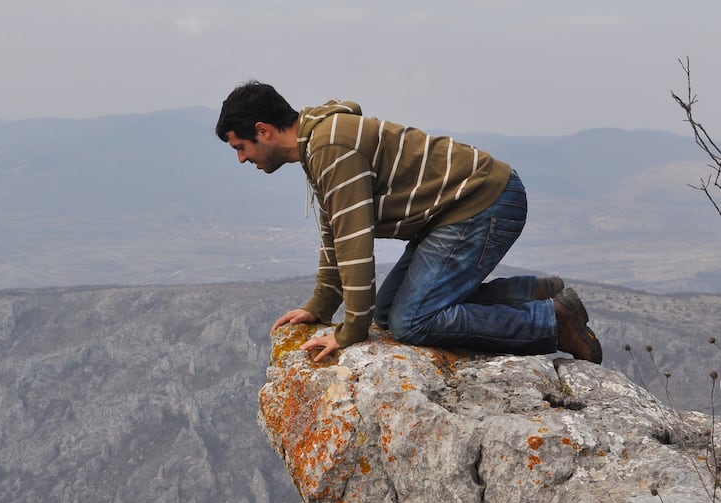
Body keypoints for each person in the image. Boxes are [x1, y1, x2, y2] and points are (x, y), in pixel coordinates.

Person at [215, 80, 601, 364]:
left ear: (263, 131)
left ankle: (551, 321)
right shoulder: (321, 144)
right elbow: (335, 229)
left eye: (241, 147)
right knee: (387, 313)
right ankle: (525, 294)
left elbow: (353, 242)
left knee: (411, 321)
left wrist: (350, 330)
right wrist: (321, 305)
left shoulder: (330, 146)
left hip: (484, 201)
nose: (242, 160)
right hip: (455, 210)